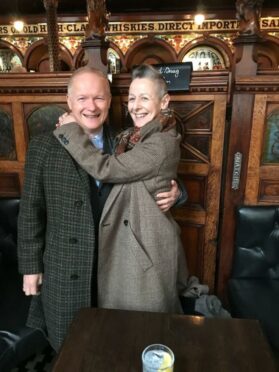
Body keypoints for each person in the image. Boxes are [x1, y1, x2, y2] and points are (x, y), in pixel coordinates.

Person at [17, 66, 184, 352]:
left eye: (99, 98)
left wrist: (179, 192)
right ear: (69, 102)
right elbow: (31, 210)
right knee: (72, 348)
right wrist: (31, 268)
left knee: (118, 345)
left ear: (109, 101)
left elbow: (152, 174)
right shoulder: (43, 147)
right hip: (67, 267)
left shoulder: (127, 141)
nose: (91, 107)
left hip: (120, 266)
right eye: (82, 99)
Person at [54, 64, 189, 318]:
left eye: (145, 98)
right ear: (69, 101)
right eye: (132, 98)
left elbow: (107, 169)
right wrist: (177, 189)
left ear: (164, 101)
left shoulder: (158, 142)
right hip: (99, 249)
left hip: (140, 252)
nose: (136, 105)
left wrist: (70, 130)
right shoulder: (130, 137)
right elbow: (150, 178)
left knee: (141, 325)